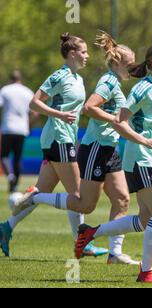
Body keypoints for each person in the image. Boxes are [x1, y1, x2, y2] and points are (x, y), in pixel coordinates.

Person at [12, 31, 141, 264]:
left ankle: (115, 253)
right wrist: (111, 119)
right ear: (117, 63)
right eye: (130, 65)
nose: (133, 70)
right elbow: (89, 109)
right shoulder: (107, 81)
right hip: (87, 145)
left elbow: (118, 115)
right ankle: (39, 200)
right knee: (83, 202)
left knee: (122, 199)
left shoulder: (100, 82)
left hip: (104, 146)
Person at [75, 42, 152, 284]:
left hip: (149, 156)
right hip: (139, 158)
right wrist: (145, 141)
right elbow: (119, 122)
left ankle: (91, 232)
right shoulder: (141, 88)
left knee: (146, 219)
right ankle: (146, 273)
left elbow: (146, 122)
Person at [0, 33, 107, 258]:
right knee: (78, 196)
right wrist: (59, 114)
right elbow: (35, 102)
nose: (87, 56)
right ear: (71, 54)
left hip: (63, 138)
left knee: (46, 190)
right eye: (84, 52)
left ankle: (6, 226)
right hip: (58, 138)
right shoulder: (60, 75)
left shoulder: (78, 78)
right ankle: (82, 243)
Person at [0, 70, 38, 193]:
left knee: (4, 155)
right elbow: (35, 113)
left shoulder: (5, 90)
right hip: (22, 129)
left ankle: (10, 176)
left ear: (10, 79)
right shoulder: (27, 92)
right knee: (17, 158)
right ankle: (14, 186)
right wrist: (28, 124)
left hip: (8, 127)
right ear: (21, 79)